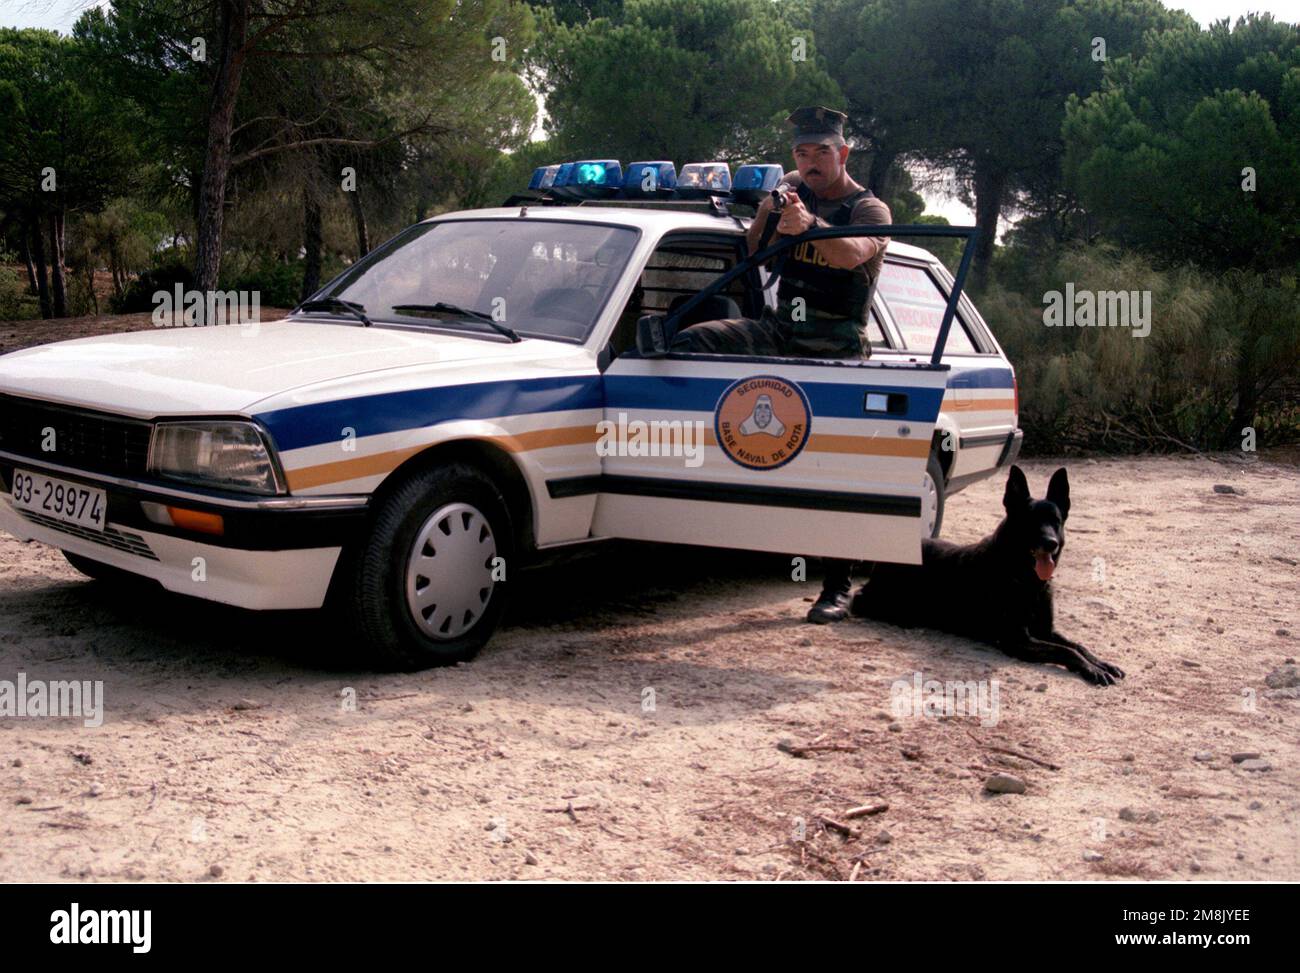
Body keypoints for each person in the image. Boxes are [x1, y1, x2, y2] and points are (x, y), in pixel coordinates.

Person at [671, 106, 892, 623]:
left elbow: (852, 253)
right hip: (779, 331)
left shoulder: (869, 208)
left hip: (834, 346)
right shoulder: (791, 188)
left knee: (836, 470)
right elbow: (754, 254)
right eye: (801, 152)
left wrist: (810, 226)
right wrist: (771, 215)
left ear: (843, 153)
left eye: (821, 152)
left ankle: (837, 586)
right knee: (691, 343)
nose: (810, 163)